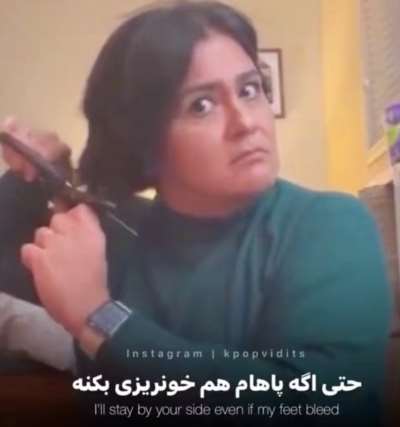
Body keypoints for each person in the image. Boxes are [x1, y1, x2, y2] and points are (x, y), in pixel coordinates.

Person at [0, 1, 392, 426]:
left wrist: (100, 319)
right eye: (202, 105)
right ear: (143, 141)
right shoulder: (112, 235)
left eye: (249, 89)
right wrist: (33, 179)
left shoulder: (330, 226)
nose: (246, 122)